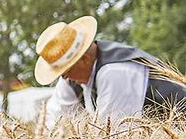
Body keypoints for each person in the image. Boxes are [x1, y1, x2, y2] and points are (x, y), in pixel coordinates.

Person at [37, 16, 186, 125]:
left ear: (83, 59)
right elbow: (53, 117)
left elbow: (112, 136)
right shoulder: (73, 78)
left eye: (65, 72)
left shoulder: (114, 72)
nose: (64, 78)